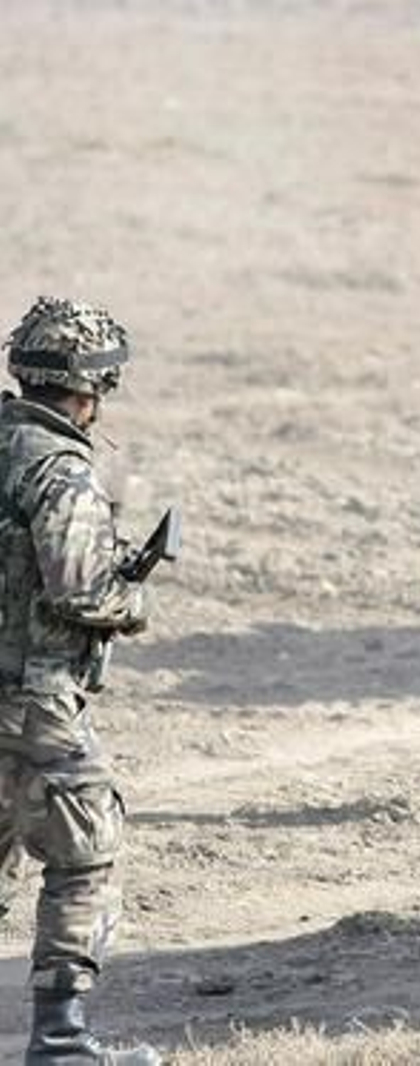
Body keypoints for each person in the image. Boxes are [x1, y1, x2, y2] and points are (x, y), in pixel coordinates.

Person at [0, 297, 161, 1065]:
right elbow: (79, 592)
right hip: (36, 701)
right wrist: (133, 598)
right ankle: (59, 1039)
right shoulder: (59, 470)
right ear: (87, 389)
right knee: (82, 853)